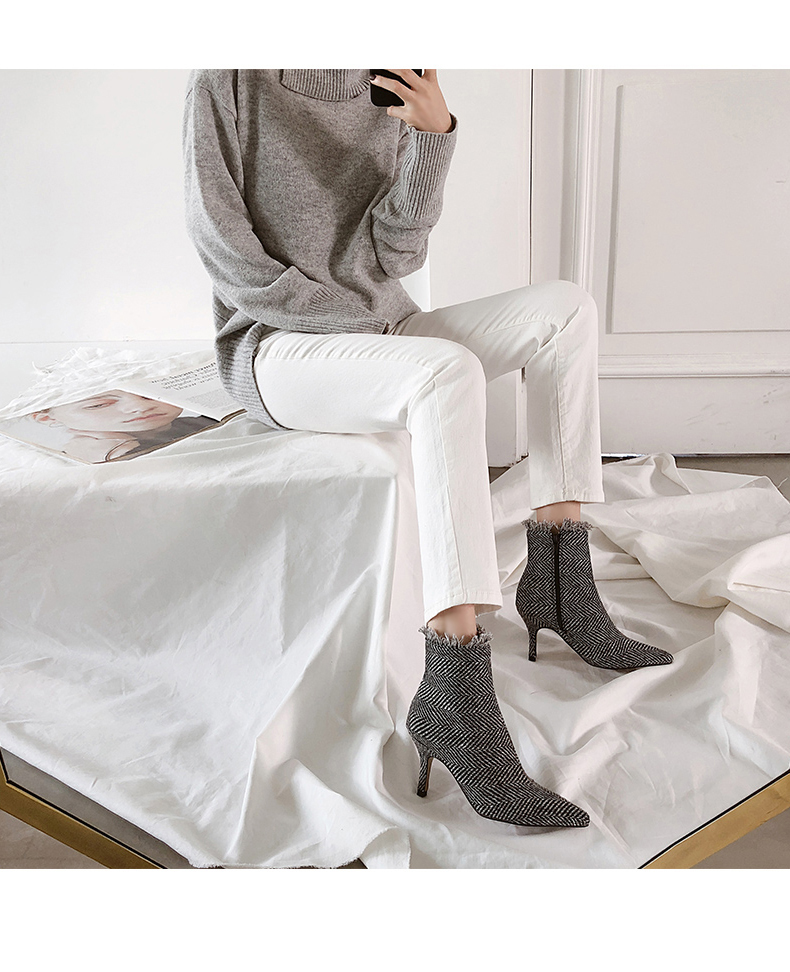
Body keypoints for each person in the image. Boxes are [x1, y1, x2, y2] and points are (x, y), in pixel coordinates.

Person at [182, 68, 672, 830]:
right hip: (278, 348)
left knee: (566, 309)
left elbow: (396, 256)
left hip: (386, 327)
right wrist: (350, 318)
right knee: (447, 373)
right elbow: (226, 252)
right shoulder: (229, 79)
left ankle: (561, 585)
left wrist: (432, 139)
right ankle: (454, 685)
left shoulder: (382, 73)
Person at [31, 391, 216, 462]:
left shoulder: (208, 422)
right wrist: (121, 453)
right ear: (47, 418)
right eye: (98, 405)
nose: (141, 407)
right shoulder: (66, 459)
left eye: (150, 395)